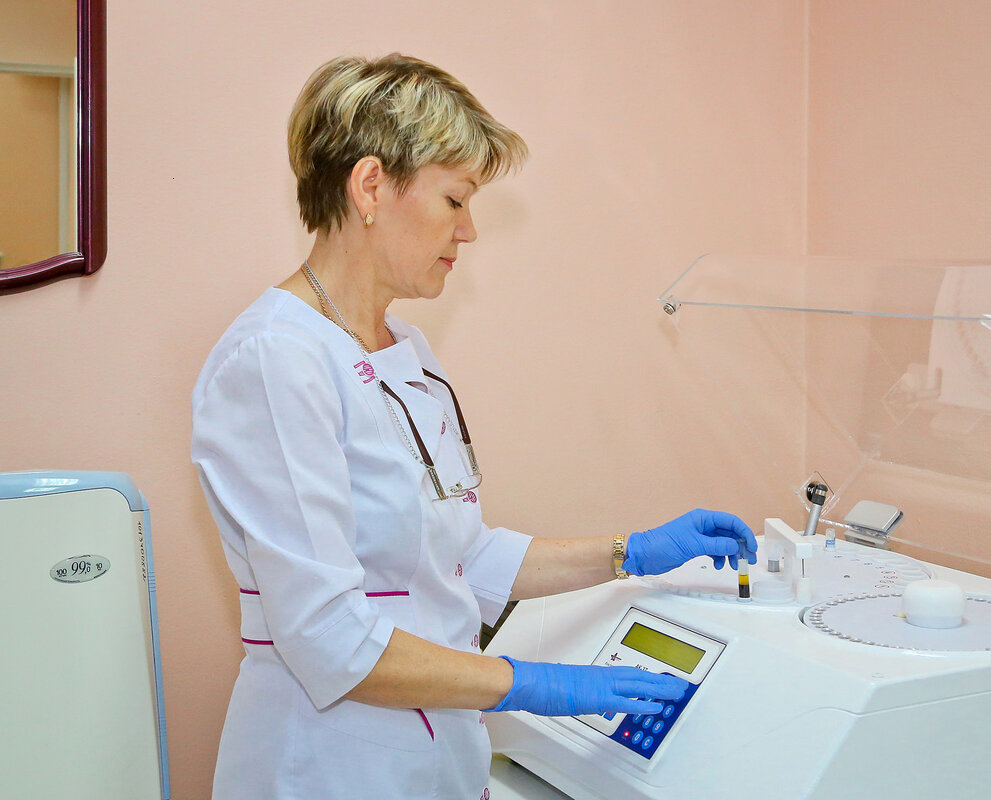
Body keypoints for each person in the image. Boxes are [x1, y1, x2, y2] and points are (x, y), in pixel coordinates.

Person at [191, 53, 756, 800]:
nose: (470, 230)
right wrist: (532, 683)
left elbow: (460, 559)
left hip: (439, 755)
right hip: (331, 767)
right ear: (370, 186)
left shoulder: (404, 351)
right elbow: (329, 639)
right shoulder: (275, 360)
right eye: (455, 199)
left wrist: (630, 553)